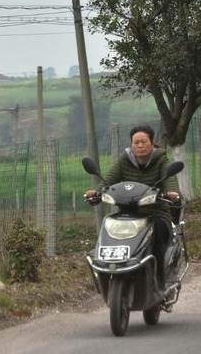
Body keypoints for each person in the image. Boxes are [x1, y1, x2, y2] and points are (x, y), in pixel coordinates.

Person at [85, 124, 180, 290]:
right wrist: (96, 192)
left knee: (156, 231)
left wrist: (172, 192)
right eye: (136, 142)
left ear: (152, 144)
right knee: (109, 225)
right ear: (131, 145)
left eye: (144, 142)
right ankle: (108, 269)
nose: (140, 146)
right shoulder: (124, 160)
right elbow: (108, 180)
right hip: (127, 215)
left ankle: (159, 279)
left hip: (156, 214)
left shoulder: (161, 160)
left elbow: (169, 178)